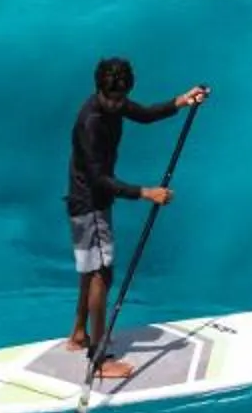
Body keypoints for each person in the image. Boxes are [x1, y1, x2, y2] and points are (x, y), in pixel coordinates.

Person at [67, 57, 208, 378]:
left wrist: (181, 101)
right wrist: (146, 192)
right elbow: (99, 178)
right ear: (99, 90)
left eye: (122, 98)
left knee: (92, 269)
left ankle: (78, 333)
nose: (118, 105)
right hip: (89, 202)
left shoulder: (115, 105)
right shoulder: (91, 121)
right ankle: (99, 359)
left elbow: (143, 115)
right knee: (101, 274)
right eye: (112, 99)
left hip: (92, 200)